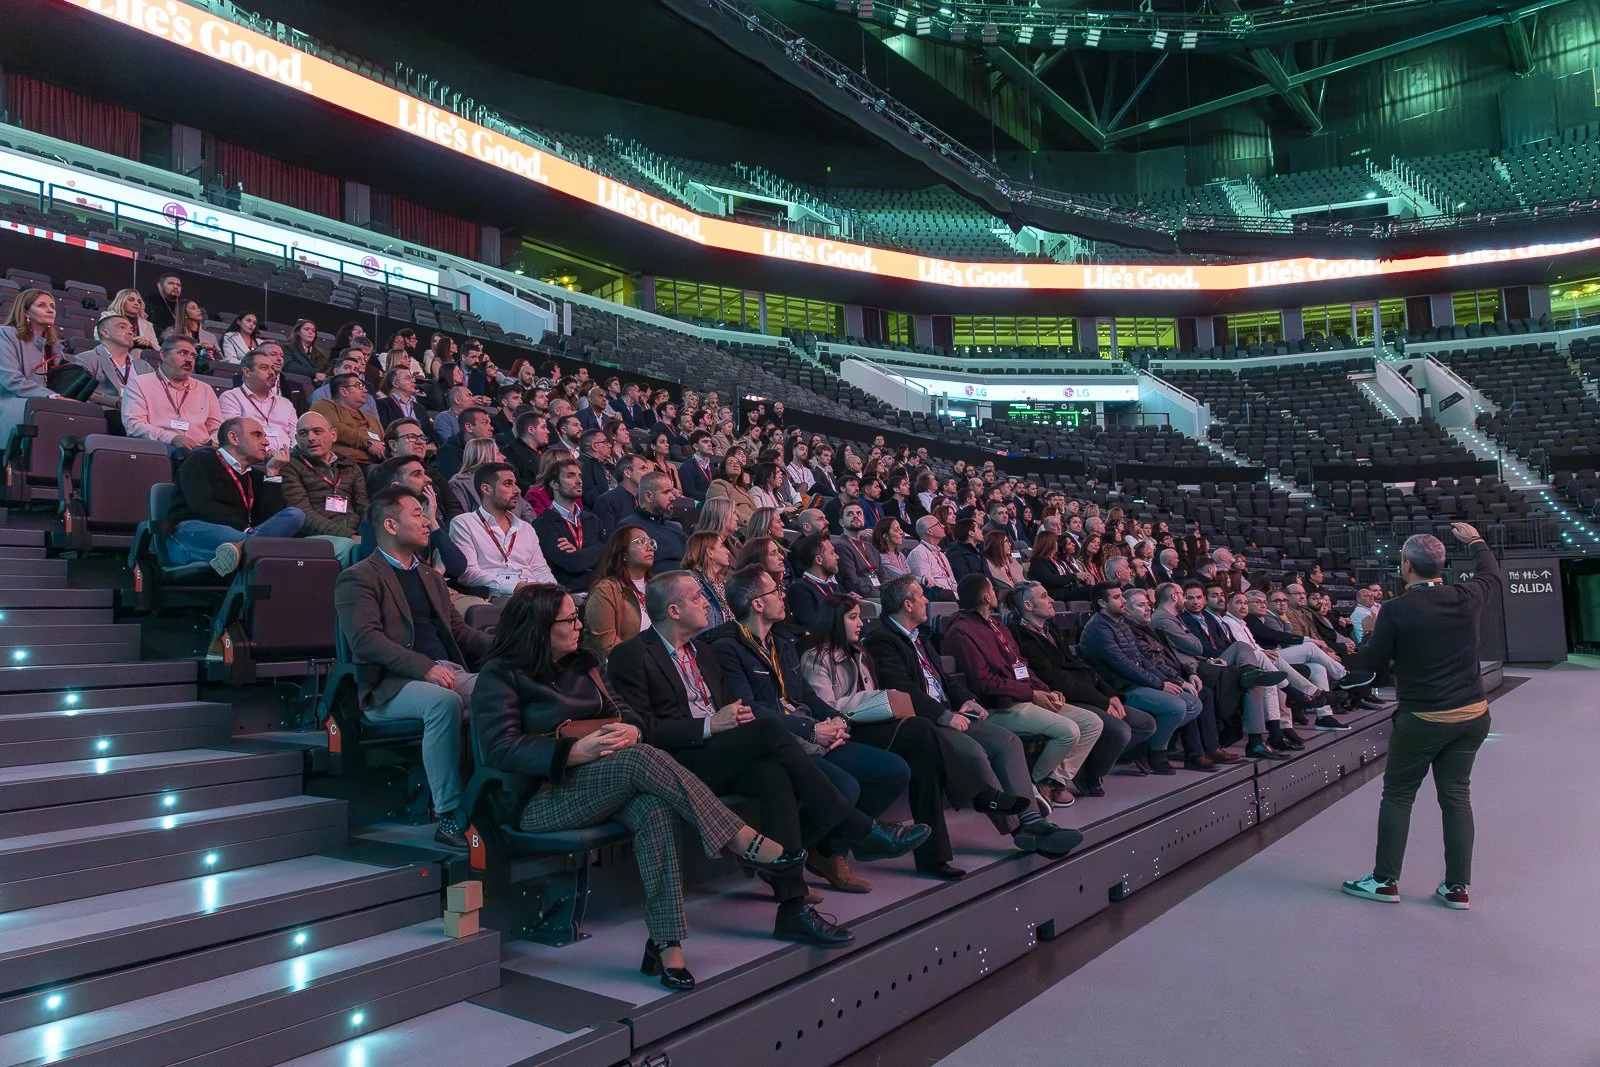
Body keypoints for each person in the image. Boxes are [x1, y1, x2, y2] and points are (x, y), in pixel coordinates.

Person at [470, 584, 808, 991]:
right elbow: (499, 749)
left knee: (655, 806)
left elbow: (627, 711)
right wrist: (574, 750)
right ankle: (739, 839)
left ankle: (667, 945)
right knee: (643, 761)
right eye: (569, 620)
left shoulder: (584, 664)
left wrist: (629, 729)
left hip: (604, 779)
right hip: (538, 797)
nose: (580, 625)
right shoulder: (501, 673)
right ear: (540, 627)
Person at [607, 572, 927, 947]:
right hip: (676, 764)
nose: (707, 603)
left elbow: (735, 706)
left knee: (774, 774)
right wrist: (710, 725)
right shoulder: (633, 654)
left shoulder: (703, 652)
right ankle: (860, 828)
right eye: (697, 598)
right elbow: (645, 730)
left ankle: (792, 909)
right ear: (673, 610)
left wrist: (732, 719)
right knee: (770, 732)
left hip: (726, 750)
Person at [708, 566, 920, 894]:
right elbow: (752, 709)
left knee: (894, 771)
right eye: (774, 591)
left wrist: (837, 720)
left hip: (811, 732)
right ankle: (793, 859)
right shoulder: (728, 647)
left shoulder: (783, 641)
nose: (783, 595)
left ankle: (824, 849)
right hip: (780, 739)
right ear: (757, 604)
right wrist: (811, 729)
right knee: (846, 787)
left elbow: (805, 695)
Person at [863, 575, 1082, 856]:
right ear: (907, 604)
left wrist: (968, 699)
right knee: (975, 752)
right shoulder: (883, 641)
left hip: (950, 712)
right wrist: (944, 715)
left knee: (1008, 742)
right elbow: (903, 689)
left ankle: (1033, 819)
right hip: (924, 722)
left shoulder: (921, 635)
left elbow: (944, 680)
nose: (926, 600)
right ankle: (1019, 829)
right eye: (921, 596)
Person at [1342, 523, 1499, 911]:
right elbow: (1492, 573)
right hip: (1473, 714)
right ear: (1441, 567)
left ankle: (1383, 881)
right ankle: (1457, 888)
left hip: (1423, 719)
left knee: (1398, 794)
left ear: (1406, 566)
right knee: (1457, 797)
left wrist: (1363, 642)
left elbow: (1371, 665)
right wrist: (1476, 541)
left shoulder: (1394, 610)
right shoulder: (1467, 596)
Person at [335, 486, 492, 847]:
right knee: (442, 702)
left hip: (446, 669)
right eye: (418, 515)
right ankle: (449, 815)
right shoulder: (359, 576)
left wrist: (516, 647)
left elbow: (459, 631)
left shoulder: (431, 577)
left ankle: (499, 796)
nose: (428, 522)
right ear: (390, 525)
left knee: (504, 689)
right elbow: (366, 641)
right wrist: (422, 667)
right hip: (391, 685)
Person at [943, 574, 1103, 807]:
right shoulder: (962, 631)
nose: (998, 593)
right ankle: (1030, 786)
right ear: (987, 596)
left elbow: (1021, 666)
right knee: (1069, 731)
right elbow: (983, 682)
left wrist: (1045, 690)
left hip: (1026, 696)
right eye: (992, 589)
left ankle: (1051, 781)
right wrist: (1031, 694)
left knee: (1092, 723)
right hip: (999, 706)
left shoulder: (997, 625)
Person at [1008, 581, 1156, 796]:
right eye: (1044, 596)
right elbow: (1057, 679)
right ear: (1028, 606)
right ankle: (1088, 775)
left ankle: (1083, 766)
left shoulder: (1050, 629)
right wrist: (1102, 701)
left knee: (1145, 723)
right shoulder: (1022, 636)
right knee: (1120, 730)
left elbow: (1079, 666)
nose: (1051, 600)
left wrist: (1110, 694)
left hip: (1086, 692)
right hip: (1062, 697)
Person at [1077, 582, 1203, 775]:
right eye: (1117, 597)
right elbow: (1124, 667)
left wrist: (1172, 682)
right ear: (1102, 603)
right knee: (1176, 706)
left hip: (1135, 682)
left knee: (1194, 703)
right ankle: (1156, 753)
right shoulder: (1099, 629)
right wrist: (1160, 685)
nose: (1123, 601)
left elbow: (1142, 660)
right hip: (1118, 688)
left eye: (1122, 595)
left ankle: (1142, 749)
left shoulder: (1119, 622)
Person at [167, 417, 305, 576]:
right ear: (234, 438)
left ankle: (241, 549)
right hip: (193, 533)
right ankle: (251, 546)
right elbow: (202, 505)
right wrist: (247, 530)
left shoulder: (256, 476)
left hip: (238, 536)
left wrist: (272, 474)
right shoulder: (200, 459)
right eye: (257, 435)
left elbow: (268, 519)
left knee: (295, 514)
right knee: (256, 541)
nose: (266, 442)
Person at [448, 462, 556, 600]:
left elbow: (540, 569)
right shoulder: (464, 523)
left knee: (570, 602)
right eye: (508, 484)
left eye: (515, 483)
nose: (517, 490)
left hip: (535, 594)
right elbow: (468, 573)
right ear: (486, 489)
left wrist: (553, 591)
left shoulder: (526, 528)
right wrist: (515, 586)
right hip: (499, 595)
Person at [278, 411, 367, 564]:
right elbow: (303, 514)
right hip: (312, 536)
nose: (311, 438)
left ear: (333, 435)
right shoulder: (289, 466)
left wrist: (371, 533)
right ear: (296, 439)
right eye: (303, 433)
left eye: (317, 431)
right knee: (350, 547)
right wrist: (350, 535)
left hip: (353, 532)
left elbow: (363, 506)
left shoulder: (350, 465)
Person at [122, 337, 223, 454]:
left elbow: (218, 427)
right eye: (183, 353)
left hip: (202, 450)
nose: (189, 360)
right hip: (162, 448)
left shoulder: (205, 388)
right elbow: (134, 425)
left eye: (193, 356)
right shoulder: (140, 384)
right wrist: (172, 438)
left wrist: (210, 443)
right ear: (163, 355)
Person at [583, 524, 656, 665]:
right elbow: (607, 644)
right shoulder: (606, 590)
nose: (650, 547)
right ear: (624, 553)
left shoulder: (656, 586)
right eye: (640, 542)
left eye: (651, 542)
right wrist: (648, 664)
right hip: (626, 667)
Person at [531, 456, 604, 591]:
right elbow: (572, 563)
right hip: (567, 592)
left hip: (598, 588)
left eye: (579, 476)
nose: (579, 481)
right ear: (554, 484)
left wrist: (580, 553)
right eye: (570, 476)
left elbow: (609, 556)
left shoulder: (592, 519)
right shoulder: (543, 524)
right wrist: (599, 549)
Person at [218, 348, 297, 454]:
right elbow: (236, 435)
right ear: (247, 372)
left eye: (273, 369)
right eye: (265, 368)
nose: (272, 373)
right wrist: (267, 452)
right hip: (253, 460)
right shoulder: (231, 398)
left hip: (288, 461)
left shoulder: (285, 403)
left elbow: (296, 436)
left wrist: (291, 454)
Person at [73, 312, 138, 428]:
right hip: (110, 412)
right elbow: (82, 391)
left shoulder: (144, 366)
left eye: (131, 329)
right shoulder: (86, 358)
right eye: (122, 327)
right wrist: (116, 401)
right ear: (105, 333)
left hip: (141, 414)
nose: (130, 332)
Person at [311, 374, 386, 464]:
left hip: (378, 464)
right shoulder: (324, 406)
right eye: (359, 386)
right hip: (344, 465)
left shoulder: (371, 418)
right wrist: (367, 443)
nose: (365, 390)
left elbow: (384, 441)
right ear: (344, 391)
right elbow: (336, 428)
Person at [629, 471, 688, 572]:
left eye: (672, 492)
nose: (673, 498)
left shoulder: (675, 527)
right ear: (648, 496)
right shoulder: (630, 528)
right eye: (666, 492)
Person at [785, 533, 843, 632]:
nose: (837, 557)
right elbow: (814, 627)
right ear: (819, 560)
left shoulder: (837, 588)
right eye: (832, 553)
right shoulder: (799, 591)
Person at [682, 531, 734, 629]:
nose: (728, 551)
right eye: (722, 546)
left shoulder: (724, 583)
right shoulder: (693, 582)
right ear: (710, 552)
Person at [374, 365, 434, 443]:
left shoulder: (420, 408)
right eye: (408, 378)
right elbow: (385, 433)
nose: (413, 381)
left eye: (412, 378)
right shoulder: (382, 405)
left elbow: (430, 434)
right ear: (395, 383)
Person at [907, 515, 958, 600]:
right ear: (929, 531)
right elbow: (928, 585)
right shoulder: (919, 553)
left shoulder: (942, 555)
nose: (943, 526)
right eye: (938, 524)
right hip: (939, 596)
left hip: (952, 595)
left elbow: (952, 581)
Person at [595, 455, 645, 539]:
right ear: (627, 473)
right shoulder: (607, 500)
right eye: (643, 469)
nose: (648, 473)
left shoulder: (645, 500)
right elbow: (608, 538)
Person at [705, 451, 756, 524]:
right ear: (723, 470)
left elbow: (754, 509)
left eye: (737, 463)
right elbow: (726, 510)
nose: (735, 464)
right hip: (737, 527)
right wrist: (750, 522)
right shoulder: (718, 484)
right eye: (730, 462)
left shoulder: (743, 489)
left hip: (753, 526)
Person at [982, 530, 1024, 603]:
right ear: (997, 545)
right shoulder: (988, 566)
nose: (1010, 544)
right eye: (1006, 541)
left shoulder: (1013, 562)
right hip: (1005, 603)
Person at [145, 273, 183, 337]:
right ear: (159, 285)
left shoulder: (183, 306)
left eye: (178, 285)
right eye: (171, 283)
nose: (176, 287)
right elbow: (144, 323)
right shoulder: (149, 301)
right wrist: (162, 333)